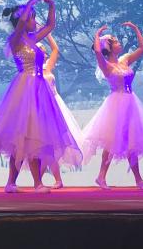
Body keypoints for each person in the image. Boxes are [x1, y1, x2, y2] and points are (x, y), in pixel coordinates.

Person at [0, 0, 82, 193]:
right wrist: (29, 7)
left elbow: (50, 25)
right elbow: (20, 27)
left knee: (32, 136)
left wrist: (52, 6)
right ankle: (32, 183)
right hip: (25, 88)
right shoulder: (15, 40)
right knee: (26, 136)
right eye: (32, 18)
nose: (34, 21)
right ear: (23, 20)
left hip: (40, 88)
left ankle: (15, 183)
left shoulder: (33, 39)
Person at [81, 23, 143, 190]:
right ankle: (103, 176)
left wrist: (135, 29)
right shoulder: (106, 66)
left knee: (131, 141)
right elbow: (97, 52)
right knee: (112, 141)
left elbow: (142, 48)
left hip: (131, 103)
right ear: (109, 48)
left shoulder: (125, 60)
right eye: (115, 41)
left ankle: (137, 180)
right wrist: (98, 35)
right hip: (116, 104)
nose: (119, 43)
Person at [40, 34, 84, 188]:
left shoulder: (47, 66)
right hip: (42, 109)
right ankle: (44, 180)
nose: (44, 53)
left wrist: (47, 33)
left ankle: (54, 180)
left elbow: (55, 49)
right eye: (41, 51)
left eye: (44, 51)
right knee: (45, 146)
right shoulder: (31, 71)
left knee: (52, 145)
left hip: (55, 106)